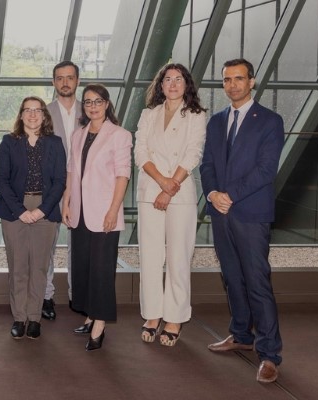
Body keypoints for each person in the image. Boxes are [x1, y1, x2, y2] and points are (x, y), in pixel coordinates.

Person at [200, 58, 284, 383]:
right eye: (227, 80)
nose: (233, 84)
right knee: (232, 278)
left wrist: (228, 194)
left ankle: (270, 354)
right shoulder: (217, 121)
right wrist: (211, 194)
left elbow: (266, 170)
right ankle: (240, 335)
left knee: (257, 283)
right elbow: (206, 165)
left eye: (239, 78)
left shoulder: (270, 121)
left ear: (252, 81)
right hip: (220, 214)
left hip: (250, 214)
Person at [134, 63, 206, 346]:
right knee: (150, 256)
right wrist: (162, 182)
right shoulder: (148, 114)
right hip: (151, 189)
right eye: (167, 79)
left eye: (178, 79)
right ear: (160, 85)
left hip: (180, 192)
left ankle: (174, 317)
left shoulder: (196, 115)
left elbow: (193, 152)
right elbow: (140, 151)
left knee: (178, 257)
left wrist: (171, 185)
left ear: (186, 84)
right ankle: (152, 315)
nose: (173, 84)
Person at [61, 84, 132, 351]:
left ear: (107, 104)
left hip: (105, 213)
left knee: (101, 271)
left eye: (98, 101)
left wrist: (114, 210)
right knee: (84, 268)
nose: (92, 106)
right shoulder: (77, 135)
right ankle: (90, 315)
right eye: (88, 102)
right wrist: (66, 202)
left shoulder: (120, 135)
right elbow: (71, 172)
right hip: (79, 212)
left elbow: (122, 175)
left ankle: (100, 324)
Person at [0, 96, 66, 339]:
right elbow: (1, 180)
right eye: (28, 110)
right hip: (15, 210)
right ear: (21, 115)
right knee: (18, 267)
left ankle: (34, 318)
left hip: (45, 210)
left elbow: (59, 181)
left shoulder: (55, 143)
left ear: (44, 115)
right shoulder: (8, 142)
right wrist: (21, 211)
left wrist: (41, 210)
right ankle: (19, 317)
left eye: (38, 110)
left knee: (39, 267)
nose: (33, 115)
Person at [42, 60, 82, 320]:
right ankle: (46, 296)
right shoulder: (43, 112)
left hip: (83, 187)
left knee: (79, 245)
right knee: (48, 245)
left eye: (69, 77)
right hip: (52, 187)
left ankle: (78, 295)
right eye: (59, 78)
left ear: (77, 80)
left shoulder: (91, 110)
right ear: (54, 82)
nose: (65, 82)